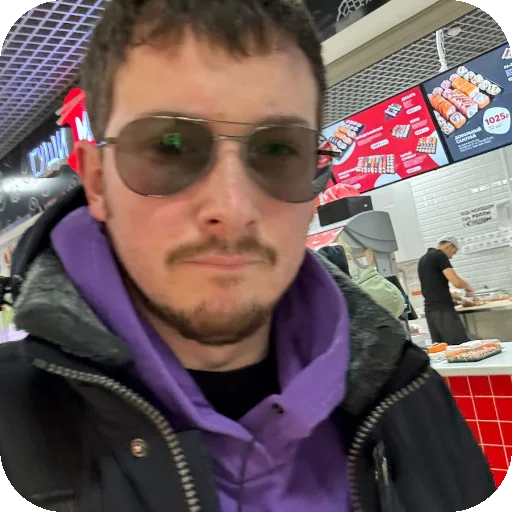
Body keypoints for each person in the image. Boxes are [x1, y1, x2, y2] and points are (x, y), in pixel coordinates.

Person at [0, 1, 494, 511]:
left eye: (279, 150)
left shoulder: (410, 397)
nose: (232, 208)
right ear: (97, 182)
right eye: (170, 147)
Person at [418, 237, 474, 345]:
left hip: (431, 312)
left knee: (442, 348)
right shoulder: (440, 255)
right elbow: (456, 283)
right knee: (460, 346)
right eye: (454, 252)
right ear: (449, 245)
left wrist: (460, 297)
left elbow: (435, 288)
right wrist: (469, 287)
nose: (451, 257)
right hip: (444, 312)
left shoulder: (423, 259)